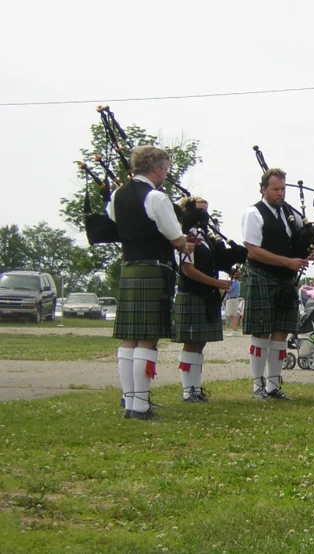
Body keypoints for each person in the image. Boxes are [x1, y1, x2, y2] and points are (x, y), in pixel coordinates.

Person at [107, 146, 194, 420]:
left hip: (128, 269)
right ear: (156, 168)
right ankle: (141, 406)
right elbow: (175, 237)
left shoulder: (117, 194)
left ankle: (131, 401)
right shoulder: (155, 197)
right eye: (165, 168)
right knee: (146, 339)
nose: (166, 173)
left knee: (128, 340)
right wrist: (188, 246)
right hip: (152, 270)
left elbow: (113, 221)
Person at [242, 168, 314, 400]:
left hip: (285, 280)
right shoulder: (253, 214)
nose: (280, 194)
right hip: (263, 276)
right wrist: (287, 262)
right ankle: (258, 386)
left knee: (280, 333)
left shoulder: (290, 214)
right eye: (276, 189)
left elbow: (308, 235)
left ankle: (273, 386)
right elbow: (252, 251)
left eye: (283, 189)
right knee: (261, 332)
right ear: (263, 189)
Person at [173, 197, 232, 402]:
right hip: (192, 294)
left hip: (207, 295)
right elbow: (188, 270)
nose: (203, 215)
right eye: (199, 210)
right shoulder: (184, 236)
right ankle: (188, 390)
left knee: (201, 343)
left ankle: (195, 388)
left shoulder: (206, 237)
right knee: (191, 343)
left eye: (206, 211)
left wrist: (230, 269)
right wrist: (217, 284)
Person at [224, 266, 243, 337]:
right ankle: (233, 330)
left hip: (232, 299)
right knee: (231, 315)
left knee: (233, 315)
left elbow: (229, 290)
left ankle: (234, 331)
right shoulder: (234, 282)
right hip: (231, 299)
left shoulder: (235, 282)